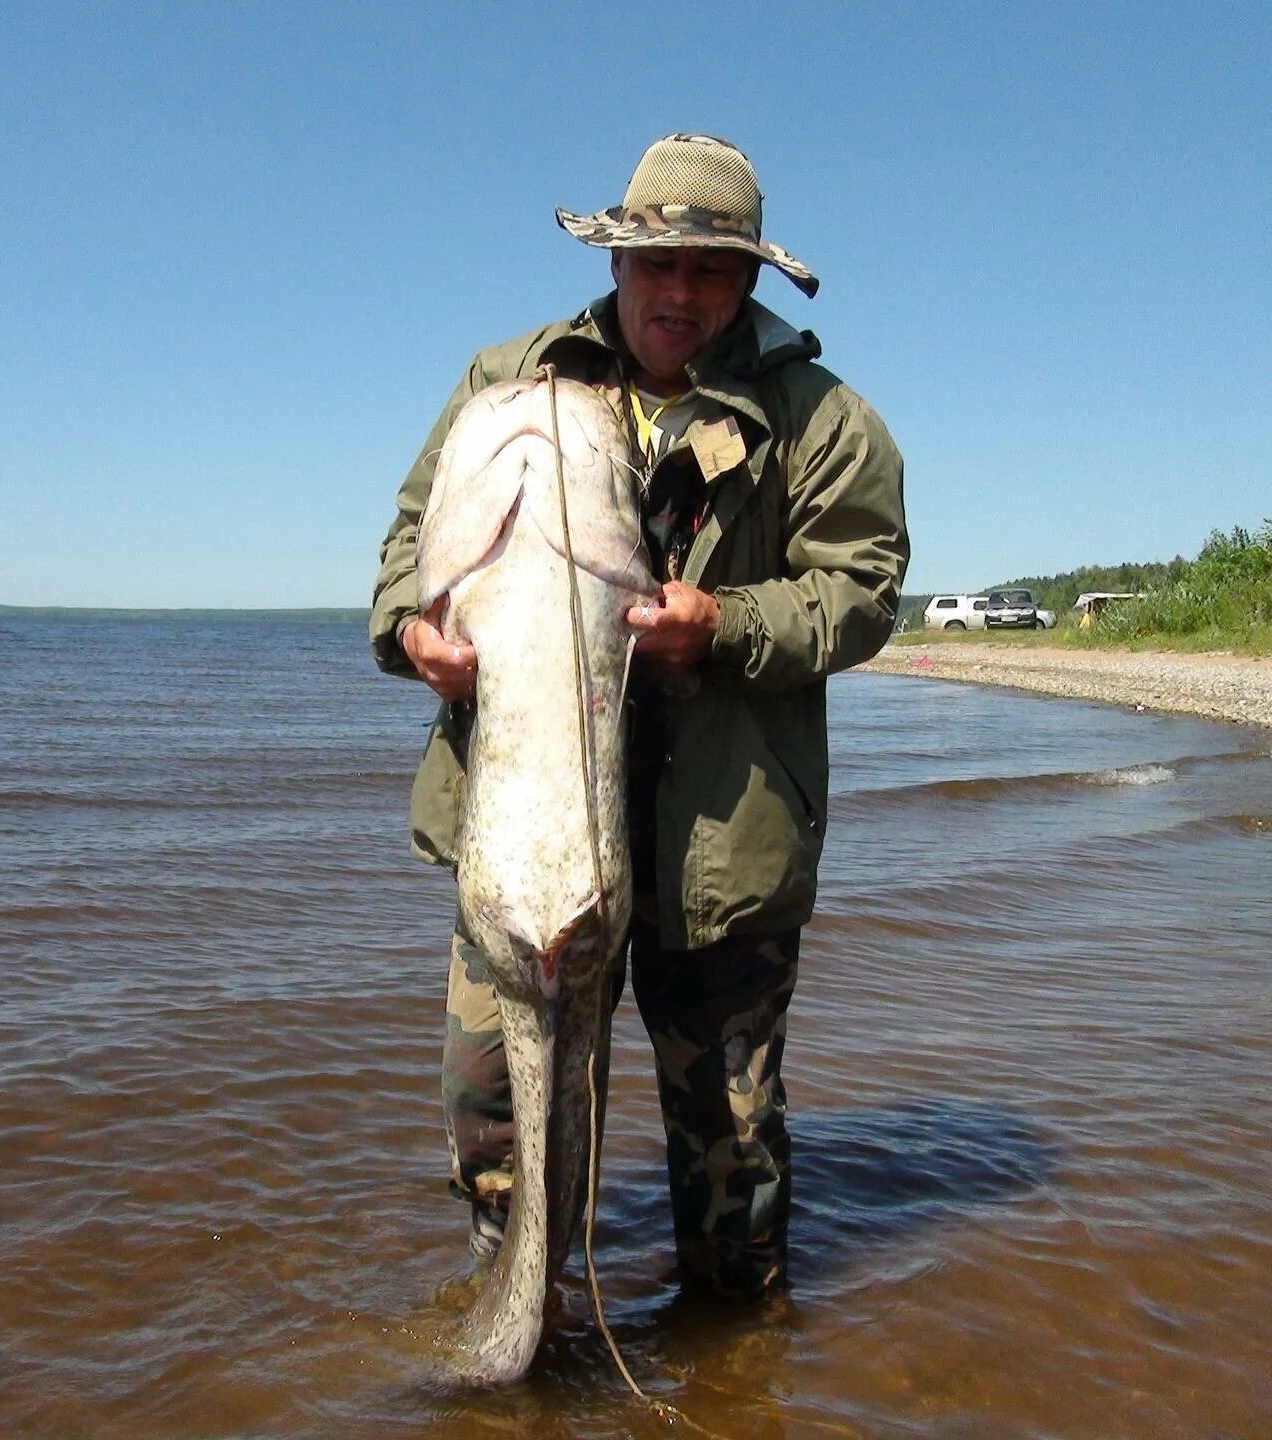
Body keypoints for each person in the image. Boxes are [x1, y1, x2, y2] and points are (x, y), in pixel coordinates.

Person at [368, 133, 909, 1297]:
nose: (679, 291)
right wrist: (415, 635)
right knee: (492, 1117)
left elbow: (861, 595)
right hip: (522, 837)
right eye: (656, 262)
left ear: (749, 279)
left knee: (730, 1143)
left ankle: (732, 1371)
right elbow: (408, 548)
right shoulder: (506, 383)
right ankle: (516, 1331)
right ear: (617, 260)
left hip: (722, 845)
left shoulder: (825, 420)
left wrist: (726, 627)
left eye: (709, 269)